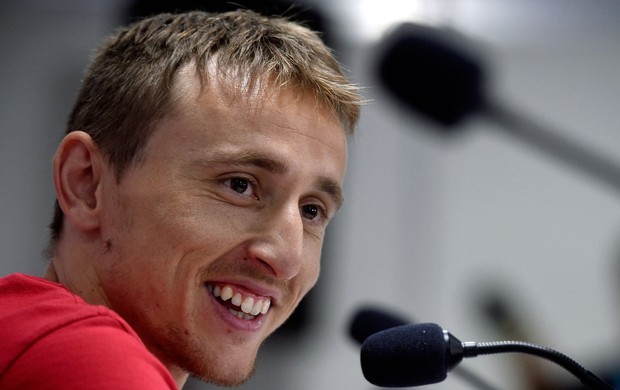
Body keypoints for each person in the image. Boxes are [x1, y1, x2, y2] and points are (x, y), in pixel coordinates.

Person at [0, 9, 361, 389]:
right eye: (239, 185)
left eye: (311, 210)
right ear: (86, 183)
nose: (286, 259)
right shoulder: (90, 360)